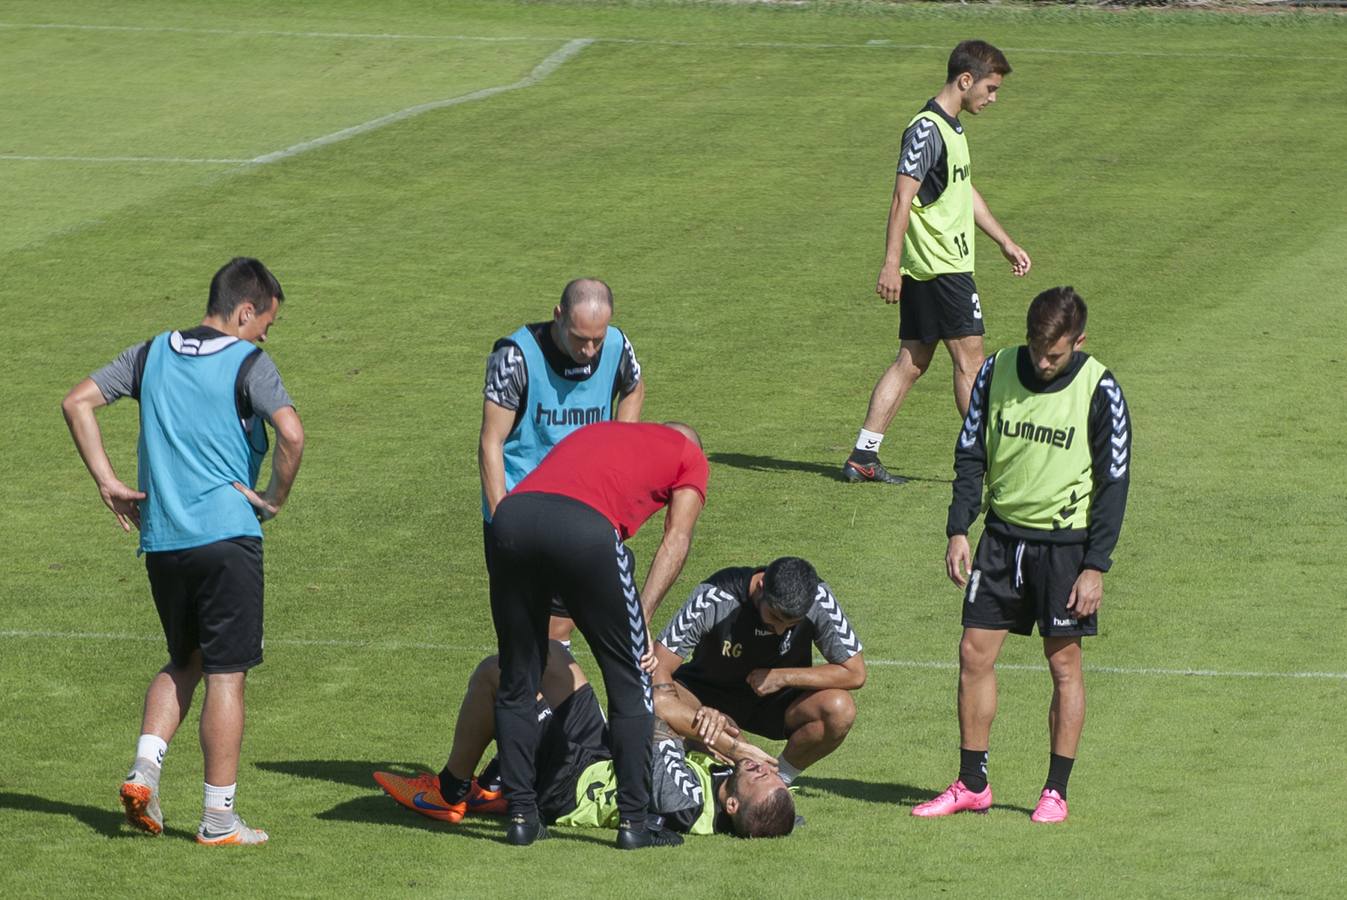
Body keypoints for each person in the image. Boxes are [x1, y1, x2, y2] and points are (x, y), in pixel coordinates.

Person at [61, 257, 304, 846]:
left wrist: (107, 480)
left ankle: (145, 768)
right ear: (245, 311)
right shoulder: (249, 362)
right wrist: (272, 498)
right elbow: (292, 434)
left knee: (184, 660)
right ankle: (219, 819)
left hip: (163, 542)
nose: (267, 334)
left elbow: (77, 402)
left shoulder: (149, 354)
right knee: (227, 674)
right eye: (266, 322)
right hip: (226, 539)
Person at [913, 286, 1130, 823]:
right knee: (973, 655)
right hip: (1001, 541)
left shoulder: (1100, 389)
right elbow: (970, 452)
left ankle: (1055, 790)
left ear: (1079, 342)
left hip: (1065, 549)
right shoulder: (995, 371)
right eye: (1036, 348)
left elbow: (1114, 483)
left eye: (1054, 354)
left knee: (1063, 666)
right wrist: (959, 528)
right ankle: (972, 782)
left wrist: (1095, 565)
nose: (1042, 361)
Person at [487, 421, 708, 848]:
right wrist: (639, 618)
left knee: (518, 676)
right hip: (585, 529)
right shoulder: (689, 455)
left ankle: (521, 817)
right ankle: (634, 822)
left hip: (511, 520)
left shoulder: (608, 432)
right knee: (631, 678)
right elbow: (675, 540)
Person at [844, 40, 1032, 485]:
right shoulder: (927, 130)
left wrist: (1003, 240)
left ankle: (862, 456)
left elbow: (962, 192)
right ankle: (987, 465)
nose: (993, 97)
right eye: (989, 88)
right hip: (942, 269)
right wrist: (891, 264)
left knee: (911, 361)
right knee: (971, 364)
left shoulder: (952, 129)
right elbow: (900, 199)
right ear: (965, 81)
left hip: (937, 268)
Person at [374, 643, 794, 840]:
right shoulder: (725, 780)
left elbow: (652, 712)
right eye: (772, 774)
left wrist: (732, 745)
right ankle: (495, 783)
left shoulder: (687, 802)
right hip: (595, 753)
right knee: (552, 655)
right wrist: (709, 725)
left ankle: (451, 790)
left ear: (733, 806)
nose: (764, 768)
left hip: (570, 787)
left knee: (496, 673)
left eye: (759, 778)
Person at [480, 278, 643, 647]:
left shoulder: (617, 345)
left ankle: (549, 698)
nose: (588, 350)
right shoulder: (514, 357)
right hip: (523, 510)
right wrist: (502, 518)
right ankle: (541, 697)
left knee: (559, 625)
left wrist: (621, 445)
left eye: (596, 340)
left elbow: (633, 385)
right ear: (558, 315)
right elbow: (491, 441)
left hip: (583, 510)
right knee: (524, 630)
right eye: (579, 338)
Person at [652, 558, 866, 786]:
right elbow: (658, 667)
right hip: (705, 697)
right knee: (654, 697)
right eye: (775, 617)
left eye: (792, 624)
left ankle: (776, 782)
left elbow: (854, 672)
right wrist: (695, 719)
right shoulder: (714, 597)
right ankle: (720, 768)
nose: (781, 629)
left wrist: (782, 676)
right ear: (762, 586)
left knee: (838, 709)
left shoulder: (818, 598)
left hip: (773, 703)